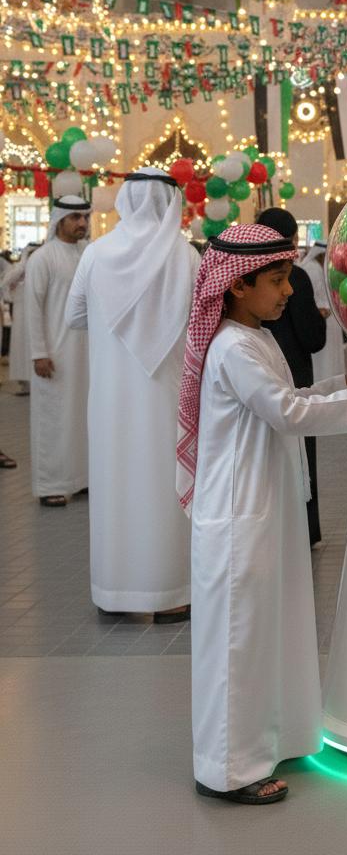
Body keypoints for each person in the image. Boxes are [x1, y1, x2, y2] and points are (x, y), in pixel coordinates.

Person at [177, 223, 347, 805]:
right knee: (239, 639)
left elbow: (288, 391)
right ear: (236, 286)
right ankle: (229, 769)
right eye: (276, 280)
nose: (289, 292)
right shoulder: (231, 344)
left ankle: (275, 738)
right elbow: (285, 411)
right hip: (238, 509)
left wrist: (345, 380)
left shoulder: (255, 336)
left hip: (264, 501)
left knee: (270, 627)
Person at [66, 168, 198, 621]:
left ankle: (115, 593)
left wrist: (112, 327)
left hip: (110, 398)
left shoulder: (97, 254)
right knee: (165, 486)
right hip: (168, 396)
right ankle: (171, 595)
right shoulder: (186, 256)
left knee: (115, 483)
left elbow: (74, 315)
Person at [256, 208, 328, 547]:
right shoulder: (295, 278)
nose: (283, 291)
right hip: (293, 374)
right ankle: (304, 527)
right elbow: (314, 338)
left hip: (274, 381)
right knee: (298, 452)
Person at [24, 197, 90, 507]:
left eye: (84, 217)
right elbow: (33, 309)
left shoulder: (87, 255)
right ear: (59, 220)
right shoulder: (43, 258)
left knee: (80, 416)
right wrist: (39, 352)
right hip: (54, 355)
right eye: (75, 217)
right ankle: (51, 483)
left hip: (85, 354)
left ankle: (79, 479)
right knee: (53, 418)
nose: (82, 223)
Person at [299, 240, 346, 382]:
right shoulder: (312, 268)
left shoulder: (323, 268)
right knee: (324, 360)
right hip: (320, 319)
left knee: (332, 357)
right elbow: (317, 297)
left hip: (330, 320)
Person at [1, 243, 41, 394]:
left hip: (34, 313)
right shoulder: (18, 269)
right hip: (21, 313)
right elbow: (5, 283)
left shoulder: (39, 268)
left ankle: (33, 382)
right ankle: (25, 382)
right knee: (21, 346)